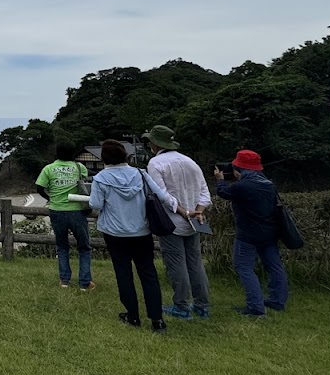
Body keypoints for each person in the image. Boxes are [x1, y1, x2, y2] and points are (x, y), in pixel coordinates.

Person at [88, 139, 178, 332]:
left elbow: (95, 204)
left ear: (104, 158)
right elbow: (162, 197)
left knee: (124, 273)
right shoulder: (140, 174)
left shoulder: (101, 179)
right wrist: (183, 210)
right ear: (126, 156)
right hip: (141, 231)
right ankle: (157, 319)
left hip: (114, 232)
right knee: (148, 273)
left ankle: (133, 316)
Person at [143, 125, 212, 320]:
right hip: (195, 222)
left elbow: (161, 193)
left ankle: (182, 306)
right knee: (195, 263)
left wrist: (182, 211)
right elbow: (204, 191)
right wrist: (199, 210)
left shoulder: (156, 163)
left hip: (171, 222)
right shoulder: (190, 161)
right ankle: (202, 305)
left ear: (155, 144)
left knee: (176, 264)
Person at [214, 149, 289, 317]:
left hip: (248, 234)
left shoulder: (242, 186)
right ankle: (277, 301)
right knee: (274, 266)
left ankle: (256, 308)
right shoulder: (269, 185)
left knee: (244, 267)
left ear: (239, 168)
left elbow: (223, 193)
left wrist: (220, 180)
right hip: (270, 232)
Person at [35, 141, 95, 290]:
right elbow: (85, 185)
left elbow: (39, 188)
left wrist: (51, 198)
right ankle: (85, 282)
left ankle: (64, 281)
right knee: (84, 247)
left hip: (57, 210)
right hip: (76, 211)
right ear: (73, 153)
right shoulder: (79, 167)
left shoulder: (49, 168)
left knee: (62, 246)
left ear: (57, 152)